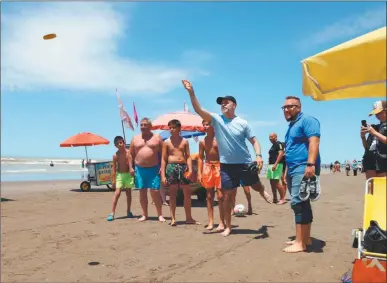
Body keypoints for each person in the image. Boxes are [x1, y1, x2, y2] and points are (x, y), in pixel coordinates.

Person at [182, 79, 272, 237]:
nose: (223, 105)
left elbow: (254, 141)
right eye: (221, 103)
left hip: (244, 162)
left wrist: (258, 155)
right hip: (226, 166)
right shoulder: (216, 120)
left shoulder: (243, 123)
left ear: (234, 105)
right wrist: (191, 92)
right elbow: (198, 109)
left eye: (226, 102)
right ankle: (228, 226)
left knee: (256, 186)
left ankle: (263, 191)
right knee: (226, 197)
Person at [282, 96, 321, 253]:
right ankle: (306, 238)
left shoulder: (308, 120)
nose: (286, 110)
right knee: (303, 203)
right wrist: (286, 172)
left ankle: (300, 243)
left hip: (303, 167)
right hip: (293, 169)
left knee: (298, 203)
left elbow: (314, 141)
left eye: (290, 106)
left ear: (298, 107)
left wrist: (310, 164)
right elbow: (290, 150)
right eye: (284, 107)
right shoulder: (292, 125)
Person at [160, 119, 200, 226]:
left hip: (183, 167)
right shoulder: (166, 142)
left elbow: (188, 157)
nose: (171, 129)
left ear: (179, 128)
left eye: (173, 127)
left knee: (187, 193)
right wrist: (163, 175)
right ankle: (173, 218)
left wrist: (190, 169)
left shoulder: (184, 141)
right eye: (170, 128)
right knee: (172, 194)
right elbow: (163, 159)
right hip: (171, 167)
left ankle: (189, 218)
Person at [128, 117, 166, 223]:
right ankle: (144, 214)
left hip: (154, 169)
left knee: (155, 192)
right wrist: (131, 167)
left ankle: (160, 215)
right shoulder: (135, 138)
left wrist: (162, 167)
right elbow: (130, 154)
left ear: (150, 126)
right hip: (140, 169)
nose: (143, 127)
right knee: (142, 192)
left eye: (145, 125)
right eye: (141, 125)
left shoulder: (157, 138)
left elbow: (163, 154)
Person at [197, 120, 225, 231]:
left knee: (220, 196)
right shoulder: (202, 142)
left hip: (219, 166)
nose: (204, 126)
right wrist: (199, 172)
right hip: (208, 167)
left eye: (207, 124)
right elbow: (200, 157)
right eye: (203, 124)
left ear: (213, 126)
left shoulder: (220, 139)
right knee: (209, 196)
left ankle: (222, 222)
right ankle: (211, 221)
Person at [107, 136, 134, 221]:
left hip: (128, 175)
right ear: (115, 145)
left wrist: (131, 169)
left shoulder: (128, 153)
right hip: (119, 175)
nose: (120, 144)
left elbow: (130, 163)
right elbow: (114, 169)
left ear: (124, 142)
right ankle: (112, 212)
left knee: (128, 193)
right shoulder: (115, 155)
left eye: (121, 142)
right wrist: (113, 180)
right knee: (117, 193)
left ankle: (128, 211)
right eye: (118, 143)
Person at [361, 100, 387, 181]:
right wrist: (363, 137)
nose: (377, 115)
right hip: (370, 163)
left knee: (382, 191)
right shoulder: (375, 127)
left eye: (379, 112)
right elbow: (367, 148)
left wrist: (374, 133)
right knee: (371, 191)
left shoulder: (374, 130)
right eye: (376, 113)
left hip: (383, 163)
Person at [266, 133, 287, 204]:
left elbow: (281, 153)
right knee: (272, 183)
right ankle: (275, 198)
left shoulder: (278, 144)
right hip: (271, 165)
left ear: (276, 137)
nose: (270, 138)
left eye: (271, 137)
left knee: (276, 183)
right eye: (269, 137)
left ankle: (283, 198)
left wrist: (275, 164)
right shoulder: (273, 146)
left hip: (276, 165)